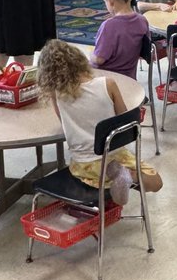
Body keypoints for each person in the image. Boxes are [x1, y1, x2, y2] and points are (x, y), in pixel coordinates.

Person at [36, 39, 161, 206]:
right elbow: (123, 120)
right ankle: (129, 176)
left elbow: (63, 123)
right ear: (78, 60)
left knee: (99, 177)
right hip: (114, 153)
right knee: (156, 182)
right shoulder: (107, 84)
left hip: (84, 165)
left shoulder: (57, 94)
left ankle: (116, 178)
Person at [90, 0, 149, 81]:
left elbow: (99, 59)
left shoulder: (108, 26)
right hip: (129, 79)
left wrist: (90, 56)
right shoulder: (142, 21)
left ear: (110, 1)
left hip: (105, 81)